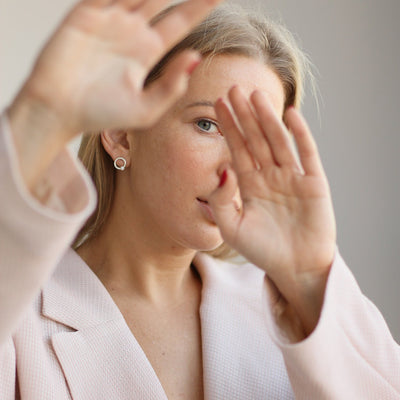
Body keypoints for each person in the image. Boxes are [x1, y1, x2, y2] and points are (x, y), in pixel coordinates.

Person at [0, 0, 399, 398]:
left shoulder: (294, 315)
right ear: (121, 133)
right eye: (207, 125)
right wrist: (37, 117)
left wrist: (310, 278)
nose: (236, 170)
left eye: (255, 140)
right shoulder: (18, 315)